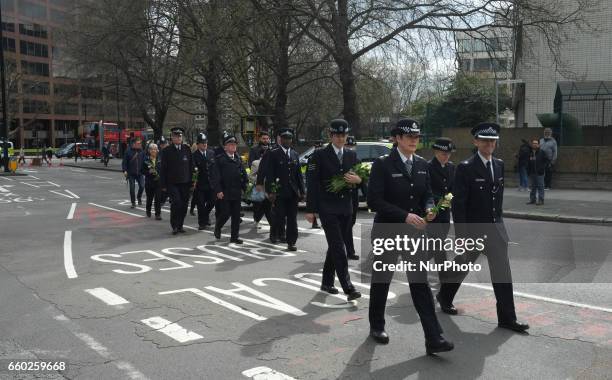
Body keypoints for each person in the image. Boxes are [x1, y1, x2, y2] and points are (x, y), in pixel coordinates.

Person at [367, 119, 453, 355]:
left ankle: (433, 338)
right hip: (388, 230)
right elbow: (374, 201)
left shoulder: (422, 164)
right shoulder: (382, 164)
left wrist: (428, 208)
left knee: (420, 284)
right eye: (409, 137)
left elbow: (427, 193)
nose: (415, 140)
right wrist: (405, 216)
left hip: (414, 233)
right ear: (397, 138)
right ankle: (377, 325)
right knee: (382, 280)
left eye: (417, 136)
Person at [436, 122, 530, 334]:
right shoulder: (466, 167)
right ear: (476, 141)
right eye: (485, 140)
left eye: (493, 141)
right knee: (462, 266)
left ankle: (507, 318)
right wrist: (462, 235)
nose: (489, 144)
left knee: (502, 274)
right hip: (474, 230)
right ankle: (445, 295)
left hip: (496, 230)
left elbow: (498, 200)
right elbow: (459, 205)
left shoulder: (498, 164)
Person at [305, 119, 362, 302]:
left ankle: (327, 281)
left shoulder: (351, 156)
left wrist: (358, 181)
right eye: (337, 135)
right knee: (339, 247)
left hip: (346, 207)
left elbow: (359, 178)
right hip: (327, 208)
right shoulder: (319, 155)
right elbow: (312, 184)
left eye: (343, 135)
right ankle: (348, 287)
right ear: (330, 136)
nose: (340, 138)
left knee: (335, 245)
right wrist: (311, 209)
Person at [264, 128, 304, 251]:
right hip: (279, 191)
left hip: (292, 192)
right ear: (280, 140)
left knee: (292, 218)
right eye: (285, 139)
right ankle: (274, 233)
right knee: (279, 216)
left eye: (289, 139)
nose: (287, 141)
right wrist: (270, 191)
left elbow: (298, 175)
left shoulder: (294, 154)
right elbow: (269, 174)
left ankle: (291, 241)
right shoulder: (273, 153)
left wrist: (302, 191)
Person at [427, 137, 456, 284]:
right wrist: (439, 204)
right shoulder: (428, 167)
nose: (447, 156)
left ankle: (417, 261)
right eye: (444, 153)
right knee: (439, 245)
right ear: (436, 152)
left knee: (435, 245)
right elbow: (427, 191)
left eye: (449, 154)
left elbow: (452, 189)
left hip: (445, 212)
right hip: (432, 213)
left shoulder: (451, 167)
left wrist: (448, 201)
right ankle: (444, 277)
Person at [211, 132, 248, 244]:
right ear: (225, 147)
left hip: (236, 191)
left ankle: (234, 237)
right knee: (225, 213)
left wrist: (245, 186)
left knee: (236, 216)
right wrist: (218, 190)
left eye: (234, 144)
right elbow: (215, 177)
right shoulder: (220, 159)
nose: (233, 146)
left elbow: (243, 174)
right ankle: (218, 226)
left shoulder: (238, 159)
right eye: (230, 144)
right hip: (225, 191)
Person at [160, 127, 194, 235]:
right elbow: (163, 169)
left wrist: (192, 181)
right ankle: (174, 225)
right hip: (172, 183)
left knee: (184, 205)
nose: (178, 138)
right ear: (172, 137)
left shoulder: (187, 149)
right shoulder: (167, 151)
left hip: (185, 182)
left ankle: (180, 225)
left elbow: (191, 166)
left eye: (180, 136)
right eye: (176, 136)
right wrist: (163, 184)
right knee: (176, 203)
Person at [343, 136, 361, 260]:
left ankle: (346, 250)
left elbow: (362, 179)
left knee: (351, 222)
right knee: (345, 225)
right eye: (348, 146)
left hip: (353, 195)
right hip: (341, 196)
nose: (350, 148)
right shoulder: (340, 159)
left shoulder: (357, 159)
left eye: (352, 146)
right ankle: (348, 251)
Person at [193, 132, 216, 229]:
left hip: (211, 184)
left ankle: (206, 216)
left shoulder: (211, 153)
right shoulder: (194, 155)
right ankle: (202, 223)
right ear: (198, 144)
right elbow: (193, 170)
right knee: (201, 204)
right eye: (202, 143)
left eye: (206, 142)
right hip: (200, 185)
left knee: (212, 202)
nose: (204, 144)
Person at [250, 147, 272, 229]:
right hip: (261, 189)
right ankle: (272, 224)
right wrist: (260, 181)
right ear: (262, 154)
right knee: (265, 207)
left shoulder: (272, 162)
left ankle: (257, 221)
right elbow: (251, 176)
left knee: (265, 207)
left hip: (270, 188)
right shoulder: (256, 163)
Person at [122, 138, 145, 208]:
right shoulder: (128, 151)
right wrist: (124, 170)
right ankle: (133, 202)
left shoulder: (142, 151)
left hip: (140, 173)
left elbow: (145, 161)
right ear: (134, 144)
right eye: (138, 144)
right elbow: (124, 162)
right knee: (132, 188)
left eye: (140, 143)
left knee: (142, 186)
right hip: (131, 173)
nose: (140, 145)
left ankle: (139, 197)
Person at [143, 143, 162, 220]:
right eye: (152, 149)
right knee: (150, 198)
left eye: (155, 149)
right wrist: (148, 172)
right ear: (149, 150)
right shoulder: (146, 160)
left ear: (157, 150)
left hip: (158, 182)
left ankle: (158, 214)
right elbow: (142, 171)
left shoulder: (160, 159)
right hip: (149, 182)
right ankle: (148, 210)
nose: (153, 151)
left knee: (158, 198)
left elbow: (163, 169)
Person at [526, 138, 548, 206]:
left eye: (536, 143)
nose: (535, 145)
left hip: (540, 173)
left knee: (540, 187)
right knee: (533, 187)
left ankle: (541, 200)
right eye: (533, 143)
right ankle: (532, 199)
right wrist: (528, 171)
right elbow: (528, 162)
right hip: (532, 173)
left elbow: (546, 161)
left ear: (538, 144)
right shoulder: (530, 153)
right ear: (532, 144)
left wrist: (542, 168)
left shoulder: (542, 152)